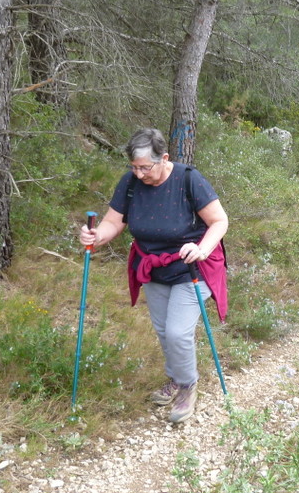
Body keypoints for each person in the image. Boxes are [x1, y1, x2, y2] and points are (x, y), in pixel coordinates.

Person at [79, 128, 228, 424]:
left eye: (145, 167)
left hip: (190, 266)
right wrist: (96, 237)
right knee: (163, 331)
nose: (138, 174)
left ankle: (187, 385)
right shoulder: (131, 183)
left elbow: (219, 221)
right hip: (152, 266)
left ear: (164, 159)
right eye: (133, 167)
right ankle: (174, 378)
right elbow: (113, 221)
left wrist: (201, 248)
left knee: (177, 332)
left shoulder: (188, 179)